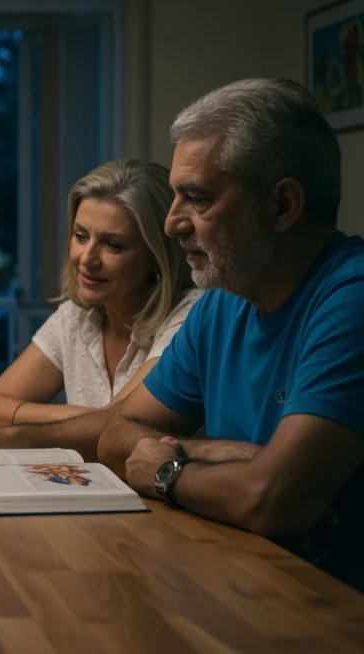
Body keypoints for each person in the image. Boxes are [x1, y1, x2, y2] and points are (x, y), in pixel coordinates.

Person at [95, 78, 364, 590]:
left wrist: (169, 471)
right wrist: (211, 451)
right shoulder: (222, 301)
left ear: (283, 205)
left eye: (196, 199)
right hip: (239, 582)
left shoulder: (353, 298)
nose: (172, 223)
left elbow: (272, 500)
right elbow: (116, 433)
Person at [0, 159, 200, 461]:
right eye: (81, 235)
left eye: (113, 245)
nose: (86, 258)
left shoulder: (190, 317)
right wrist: (93, 417)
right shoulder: (76, 316)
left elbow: (124, 424)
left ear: (157, 255)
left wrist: (100, 421)